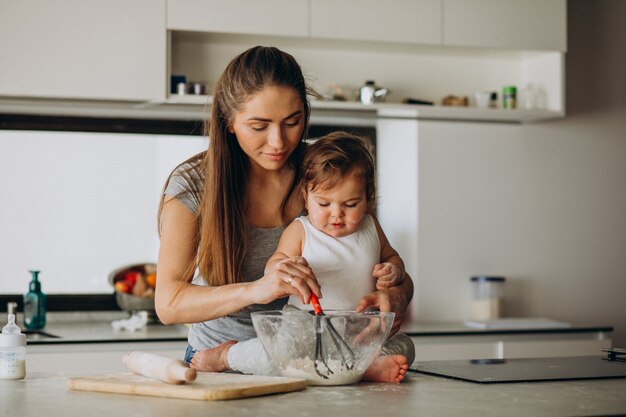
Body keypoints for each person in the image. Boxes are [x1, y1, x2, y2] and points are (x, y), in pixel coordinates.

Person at [155, 46, 415, 383]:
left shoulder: (324, 175)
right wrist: (259, 289)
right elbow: (169, 303)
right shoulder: (193, 185)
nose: (278, 142)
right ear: (229, 122)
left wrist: (396, 295)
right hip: (222, 367)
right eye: (259, 126)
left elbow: (386, 263)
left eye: (292, 122)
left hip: (321, 354)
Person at [191, 132, 415, 383]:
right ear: (305, 197)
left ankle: (364, 364)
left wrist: (394, 270)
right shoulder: (301, 230)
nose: (336, 215)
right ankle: (226, 356)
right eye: (324, 204)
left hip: (359, 330)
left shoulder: (371, 226)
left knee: (405, 346)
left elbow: (393, 258)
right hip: (305, 328)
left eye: (351, 204)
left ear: (367, 199)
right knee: (278, 355)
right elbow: (274, 266)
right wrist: (286, 267)